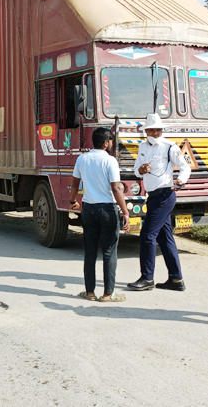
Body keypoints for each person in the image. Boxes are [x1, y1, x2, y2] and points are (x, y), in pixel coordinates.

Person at [127, 113, 191, 292]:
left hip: (165, 194)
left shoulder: (169, 146)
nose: (155, 132)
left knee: (147, 235)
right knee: (165, 237)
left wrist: (181, 180)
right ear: (146, 131)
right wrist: (141, 170)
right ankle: (176, 279)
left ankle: (147, 278)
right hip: (153, 196)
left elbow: (185, 167)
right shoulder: (142, 147)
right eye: (152, 129)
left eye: (158, 129)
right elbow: (137, 171)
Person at [69, 127, 131, 302]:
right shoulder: (110, 161)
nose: (111, 143)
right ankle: (108, 293)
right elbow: (116, 188)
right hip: (107, 210)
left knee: (90, 251)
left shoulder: (82, 159)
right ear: (105, 143)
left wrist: (72, 201)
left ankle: (89, 292)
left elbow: (75, 184)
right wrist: (125, 212)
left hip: (88, 209)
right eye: (110, 140)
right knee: (109, 251)